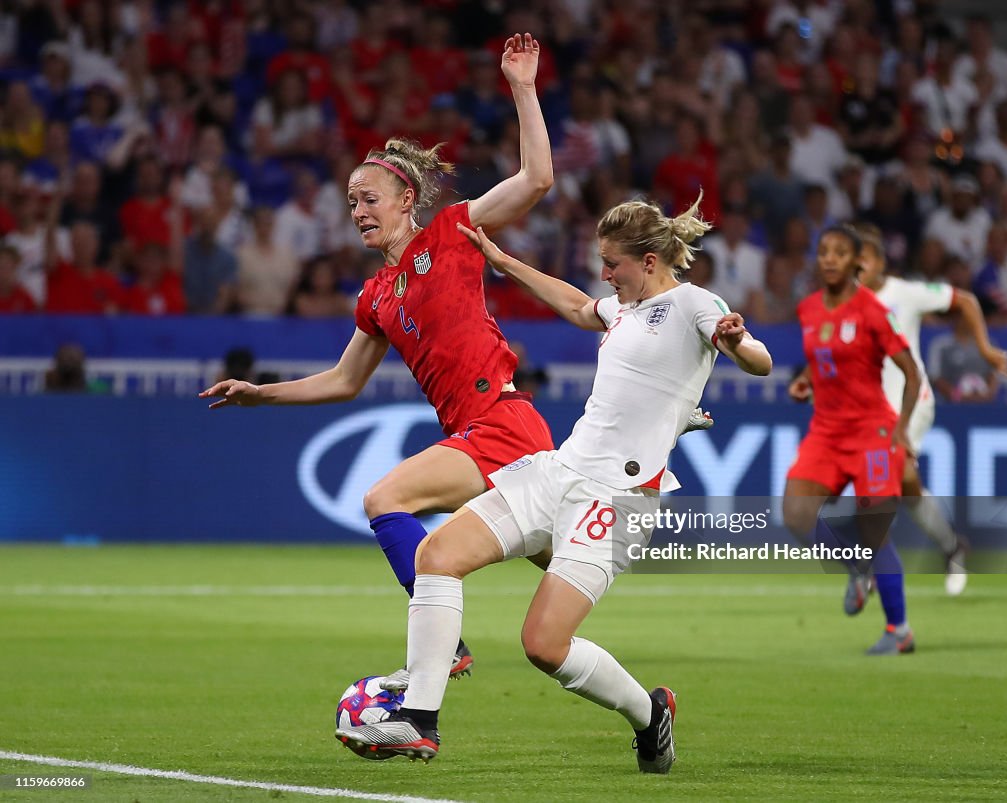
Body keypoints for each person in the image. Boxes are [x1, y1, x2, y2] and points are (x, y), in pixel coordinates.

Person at [334, 193, 772, 770]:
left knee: (543, 645)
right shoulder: (623, 310)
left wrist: (739, 343)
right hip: (559, 471)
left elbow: (760, 360)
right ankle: (419, 719)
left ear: (647, 261)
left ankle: (650, 713)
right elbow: (575, 304)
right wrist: (502, 259)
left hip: (619, 500)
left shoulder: (692, 303)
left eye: (612, 263)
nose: (605, 273)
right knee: (436, 555)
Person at [199, 33, 555, 686]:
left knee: (384, 496)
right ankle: (650, 709)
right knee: (564, 594)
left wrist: (523, 88)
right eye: (351, 203)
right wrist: (261, 393)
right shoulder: (375, 296)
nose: (358, 211)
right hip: (480, 437)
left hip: (501, 421)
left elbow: (536, 180)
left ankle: (443, 650)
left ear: (405, 203)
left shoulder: (452, 232)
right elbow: (344, 379)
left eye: (369, 199)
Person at [854, 222, 1007, 595]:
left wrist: (986, 349)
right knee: (907, 486)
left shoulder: (906, 293)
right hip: (871, 411)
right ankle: (953, 545)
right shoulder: (847, 302)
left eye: (861, 261)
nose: (855, 270)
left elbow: (967, 301)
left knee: (886, 474)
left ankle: (874, 565)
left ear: (879, 262)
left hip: (913, 402)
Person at [784, 225, 921, 656]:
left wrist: (901, 430)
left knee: (875, 529)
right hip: (826, 430)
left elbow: (912, 374)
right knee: (795, 513)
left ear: (856, 261)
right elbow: (823, 356)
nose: (828, 259)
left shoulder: (873, 311)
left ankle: (899, 630)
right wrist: (806, 380)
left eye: (839, 253)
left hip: (872, 434)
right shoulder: (808, 309)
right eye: (823, 251)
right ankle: (854, 563)